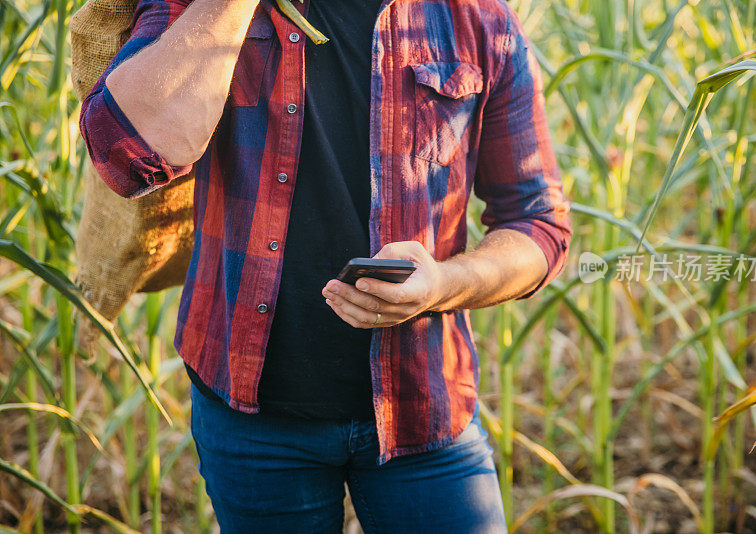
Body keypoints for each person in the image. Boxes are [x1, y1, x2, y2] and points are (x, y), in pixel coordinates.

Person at [79, 0, 572, 531]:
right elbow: (126, 155)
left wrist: (442, 285)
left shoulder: (477, 19)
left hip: (425, 407)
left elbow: (538, 226)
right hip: (251, 419)